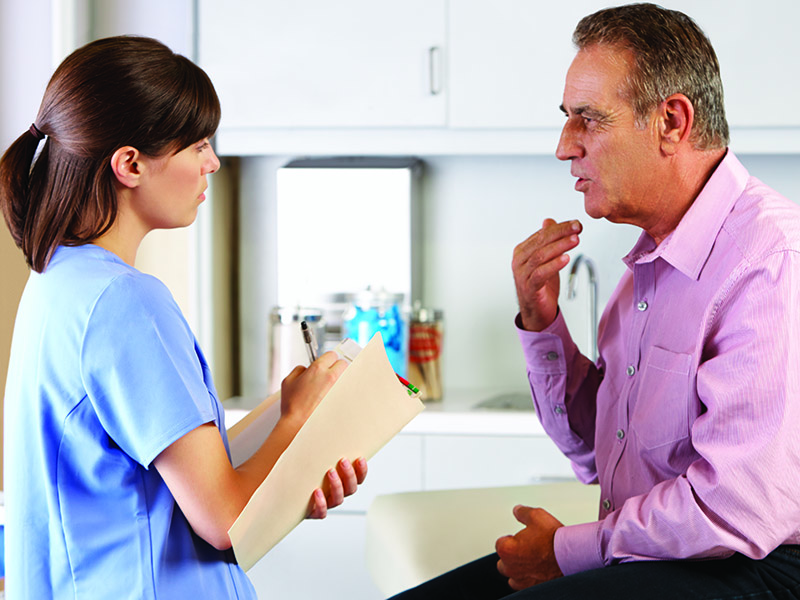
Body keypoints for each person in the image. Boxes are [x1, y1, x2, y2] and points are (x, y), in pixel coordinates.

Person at [391, 3, 800, 599]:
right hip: (657, 556)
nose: (565, 146)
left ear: (672, 122)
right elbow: (596, 453)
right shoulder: (648, 262)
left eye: (589, 119)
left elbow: (735, 508)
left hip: (748, 566)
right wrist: (542, 322)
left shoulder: (771, 259)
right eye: (567, 118)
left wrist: (567, 551)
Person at [0, 36, 367, 599]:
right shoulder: (126, 303)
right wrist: (297, 420)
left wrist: (287, 449)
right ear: (130, 164)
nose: (212, 163)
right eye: (197, 145)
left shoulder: (58, 281)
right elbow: (224, 521)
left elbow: (169, 483)